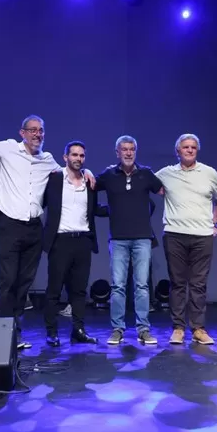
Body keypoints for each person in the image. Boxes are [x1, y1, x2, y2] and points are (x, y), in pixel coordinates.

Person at [0, 115, 94, 349]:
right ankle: (3, 334)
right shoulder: (7, 148)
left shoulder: (48, 160)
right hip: (9, 225)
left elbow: (68, 172)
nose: (38, 134)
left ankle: (16, 332)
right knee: (8, 280)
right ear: (22, 132)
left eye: (41, 131)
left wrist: (86, 172)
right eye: (33, 130)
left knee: (24, 282)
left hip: (34, 227)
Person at [95, 135, 163, 346]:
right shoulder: (108, 175)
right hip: (118, 239)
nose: (128, 152)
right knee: (118, 286)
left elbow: (162, 191)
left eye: (131, 149)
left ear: (135, 151)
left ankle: (143, 329)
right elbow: (90, 186)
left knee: (142, 286)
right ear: (117, 152)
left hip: (142, 238)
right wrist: (105, 211)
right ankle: (117, 329)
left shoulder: (146, 174)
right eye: (124, 149)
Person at [156, 134, 217, 345]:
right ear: (178, 151)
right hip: (175, 234)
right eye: (185, 147)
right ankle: (178, 328)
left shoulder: (209, 173)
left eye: (193, 147)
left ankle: (198, 328)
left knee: (199, 284)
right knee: (177, 283)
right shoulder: (166, 173)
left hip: (202, 236)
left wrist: (215, 223)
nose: (190, 150)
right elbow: (144, 182)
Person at [41, 141, 101, 346]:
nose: (78, 159)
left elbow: (94, 209)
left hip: (83, 240)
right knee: (54, 289)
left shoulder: (89, 181)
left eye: (81, 156)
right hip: (60, 240)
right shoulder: (55, 179)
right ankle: (51, 332)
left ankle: (78, 330)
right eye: (74, 155)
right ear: (65, 157)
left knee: (79, 290)